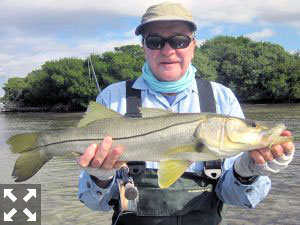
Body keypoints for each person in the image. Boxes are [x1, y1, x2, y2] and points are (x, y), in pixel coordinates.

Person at [77, 2, 295, 225]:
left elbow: (238, 199)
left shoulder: (222, 97)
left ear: (194, 45)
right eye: (155, 41)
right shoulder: (113, 97)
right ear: (143, 46)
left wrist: (246, 171)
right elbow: (95, 204)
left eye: (179, 41)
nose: (168, 50)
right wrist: (100, 177)